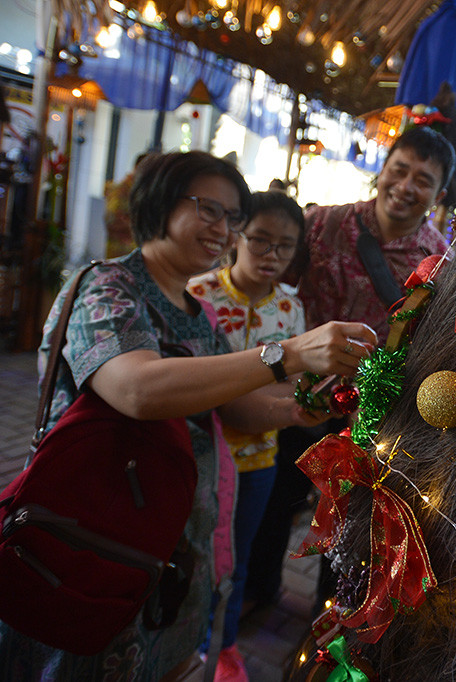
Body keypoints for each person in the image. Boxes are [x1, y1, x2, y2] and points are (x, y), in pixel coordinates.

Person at [0, 151, 375, 681]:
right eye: (208, 209)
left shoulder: (196, 316)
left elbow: (228, 406)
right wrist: (285, 355)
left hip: (165, 542)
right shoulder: (108, 288)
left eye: (231, 217)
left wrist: (298, 409)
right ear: (158, 204)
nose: (223, 229)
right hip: (90, 536)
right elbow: (136, 389)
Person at [245, 126, 455, 610]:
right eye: (398, 170)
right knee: (276, 498)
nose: (405, 186)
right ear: (382, 171)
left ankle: (328, 612)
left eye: (421, 179)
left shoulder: (438, 265)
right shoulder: (322, 225)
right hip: (293, 393)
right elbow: (278, 292)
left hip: (362, 414)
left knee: (342, 519)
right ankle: (257, 592)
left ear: (438, 194)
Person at [187, 191, 307, 681]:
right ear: (237, 236)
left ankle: (224, 645)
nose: (271, 255)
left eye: (284, 246)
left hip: (257, 460)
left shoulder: (290, 311)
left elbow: (294, 384)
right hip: (196, 458)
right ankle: (175, 642)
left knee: (234, 559)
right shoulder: (199, 295)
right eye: (260, 240)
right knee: (187, 553)